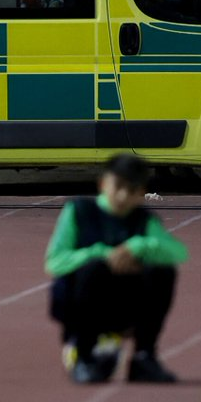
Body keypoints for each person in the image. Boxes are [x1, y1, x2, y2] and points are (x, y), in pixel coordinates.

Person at [45, 154, 188, 384]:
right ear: (103, 184)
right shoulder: (79, 212)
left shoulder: (144, 220)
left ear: (141, 192)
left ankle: (144, 357)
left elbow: (179, 253)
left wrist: (138, 247)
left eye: (132, 190)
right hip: (79, 303)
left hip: (124, 303)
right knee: (94, 269)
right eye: (118, 186)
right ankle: (83, 354)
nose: (123, 196)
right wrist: (103, 254)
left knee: (162, 271)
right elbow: (54, 261)